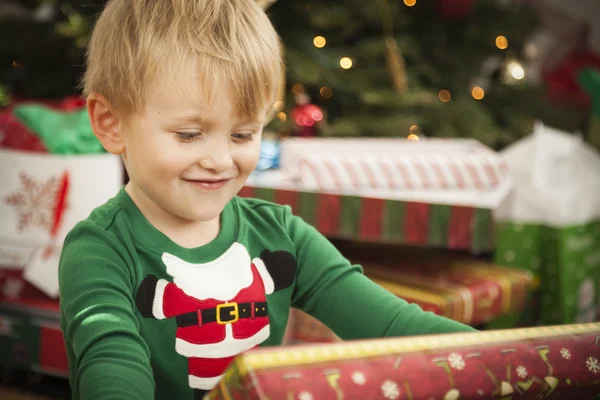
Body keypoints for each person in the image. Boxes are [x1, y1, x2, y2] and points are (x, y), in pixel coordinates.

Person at [58, 0, 476, 399]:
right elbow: (112, 365)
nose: (220, 161)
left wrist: (526, 354)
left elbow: (393, 326)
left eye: (242, 134)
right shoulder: (99, 251)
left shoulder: (281, 235)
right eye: (188, 134)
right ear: (111, 123)